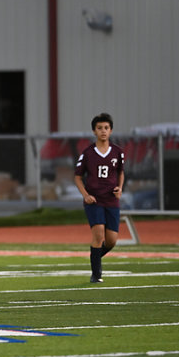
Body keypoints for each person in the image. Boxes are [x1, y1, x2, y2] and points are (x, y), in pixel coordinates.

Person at [73, 112, 125, 283]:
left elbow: (120, 172)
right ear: (94, 131)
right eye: (100, 128)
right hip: (94, 200)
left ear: (111, 131)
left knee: (111, 241)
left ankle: (94, 257)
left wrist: (120, 188)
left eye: (106, 128)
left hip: (111, 200)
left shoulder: (117, 152)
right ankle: (96, 275)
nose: (103, 131)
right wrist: (86, 195)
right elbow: (78, 177)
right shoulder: (88, 153)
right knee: (98, 234)